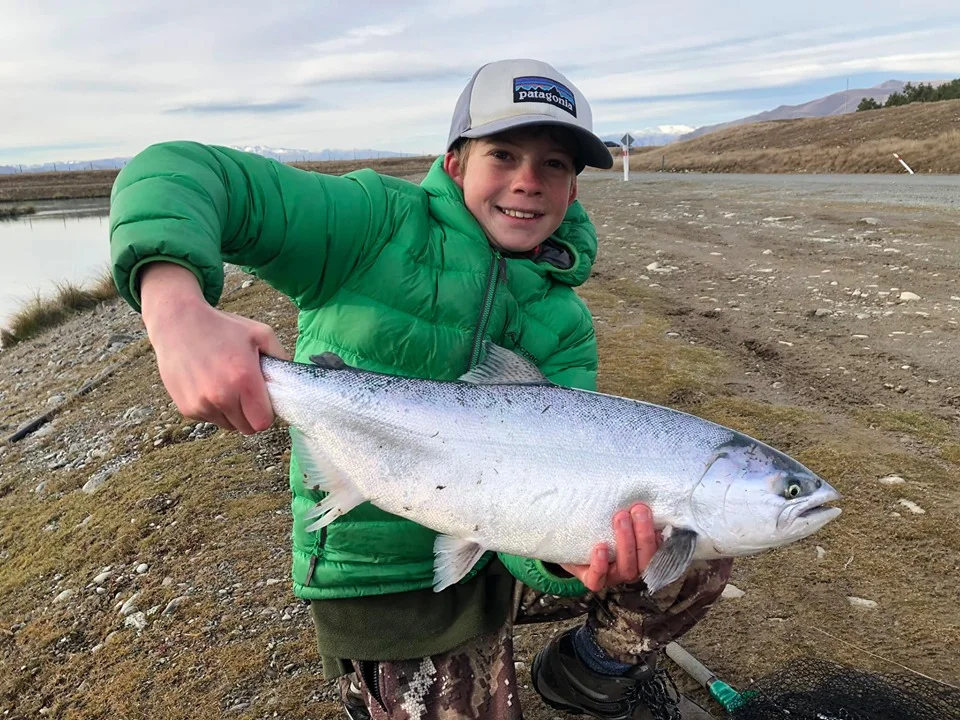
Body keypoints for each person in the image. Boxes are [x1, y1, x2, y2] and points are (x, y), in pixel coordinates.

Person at [109, 58, 732, 720]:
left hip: (494, 543)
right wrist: (176, 310)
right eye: (504, 153)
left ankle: (585, 674)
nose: (527, 181)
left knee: (698, 541)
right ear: (456, 162)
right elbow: (175, 170)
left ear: (573, 190)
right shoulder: (370, 222)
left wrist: (574, 560)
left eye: (554, 164)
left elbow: (544, 521)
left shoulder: (564, 324)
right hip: (386, 575)